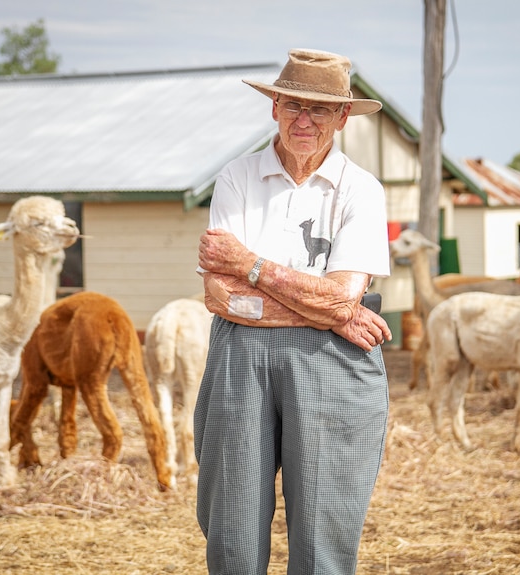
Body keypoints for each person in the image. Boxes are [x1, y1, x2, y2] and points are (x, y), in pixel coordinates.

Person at [194, 48, 392, 575]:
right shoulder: (236, 176)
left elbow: (340, 295)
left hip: (333, 363)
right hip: (243, 357)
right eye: (293, 105)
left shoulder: (362, 190)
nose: (304, 120)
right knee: (231, 524)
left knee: (325, 527)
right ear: (274, 107)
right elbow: (218, 296)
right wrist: (333, 312)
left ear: (342, 117)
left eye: (320, 109)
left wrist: (250, 265)